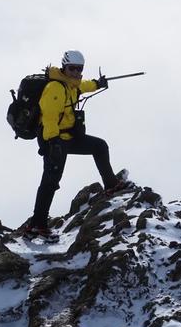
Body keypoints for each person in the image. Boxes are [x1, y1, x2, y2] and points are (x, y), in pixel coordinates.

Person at [23, 50, 128, 242]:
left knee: (99, 146)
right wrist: (53, 143)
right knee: (50, 182)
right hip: (53, 140)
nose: (76, 72)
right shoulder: (55, 87)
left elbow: (83, 85)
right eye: (72, 68)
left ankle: (111, 184)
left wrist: (98, 84)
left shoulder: (71, 85)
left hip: (68, 137)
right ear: (64, 67)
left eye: (79, 69)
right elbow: (49, 117)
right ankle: (36, 225)